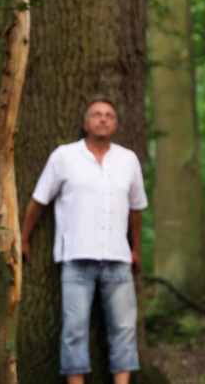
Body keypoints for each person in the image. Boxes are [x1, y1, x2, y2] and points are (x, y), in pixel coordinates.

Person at [20, 97, 147, 384]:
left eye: (109, 115)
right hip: (76, 260)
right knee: (74, 330)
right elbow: (39, 201)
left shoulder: (128, 160)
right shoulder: (64, 157)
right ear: (85, 123)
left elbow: (136, 209)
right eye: (96, 114)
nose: (103, 119)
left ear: (115, 124)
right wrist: (23, 238)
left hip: (118, 260)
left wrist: (136, 248)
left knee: (124, 328)